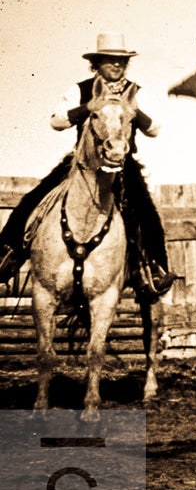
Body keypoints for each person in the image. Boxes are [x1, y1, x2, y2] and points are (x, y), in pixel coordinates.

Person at [0, 32, 177, 301]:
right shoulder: (80, 89)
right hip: (81, 163)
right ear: (97, 63)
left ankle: (154, 270)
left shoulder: (136, 91)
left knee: (146, 211)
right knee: (34, 199)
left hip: (122, 164)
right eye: (109, 60)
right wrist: (87, 108)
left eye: (121, 61)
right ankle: (7, 254)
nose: (117, 65)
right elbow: (56, 121)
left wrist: (132, 110)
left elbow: (154, 129)